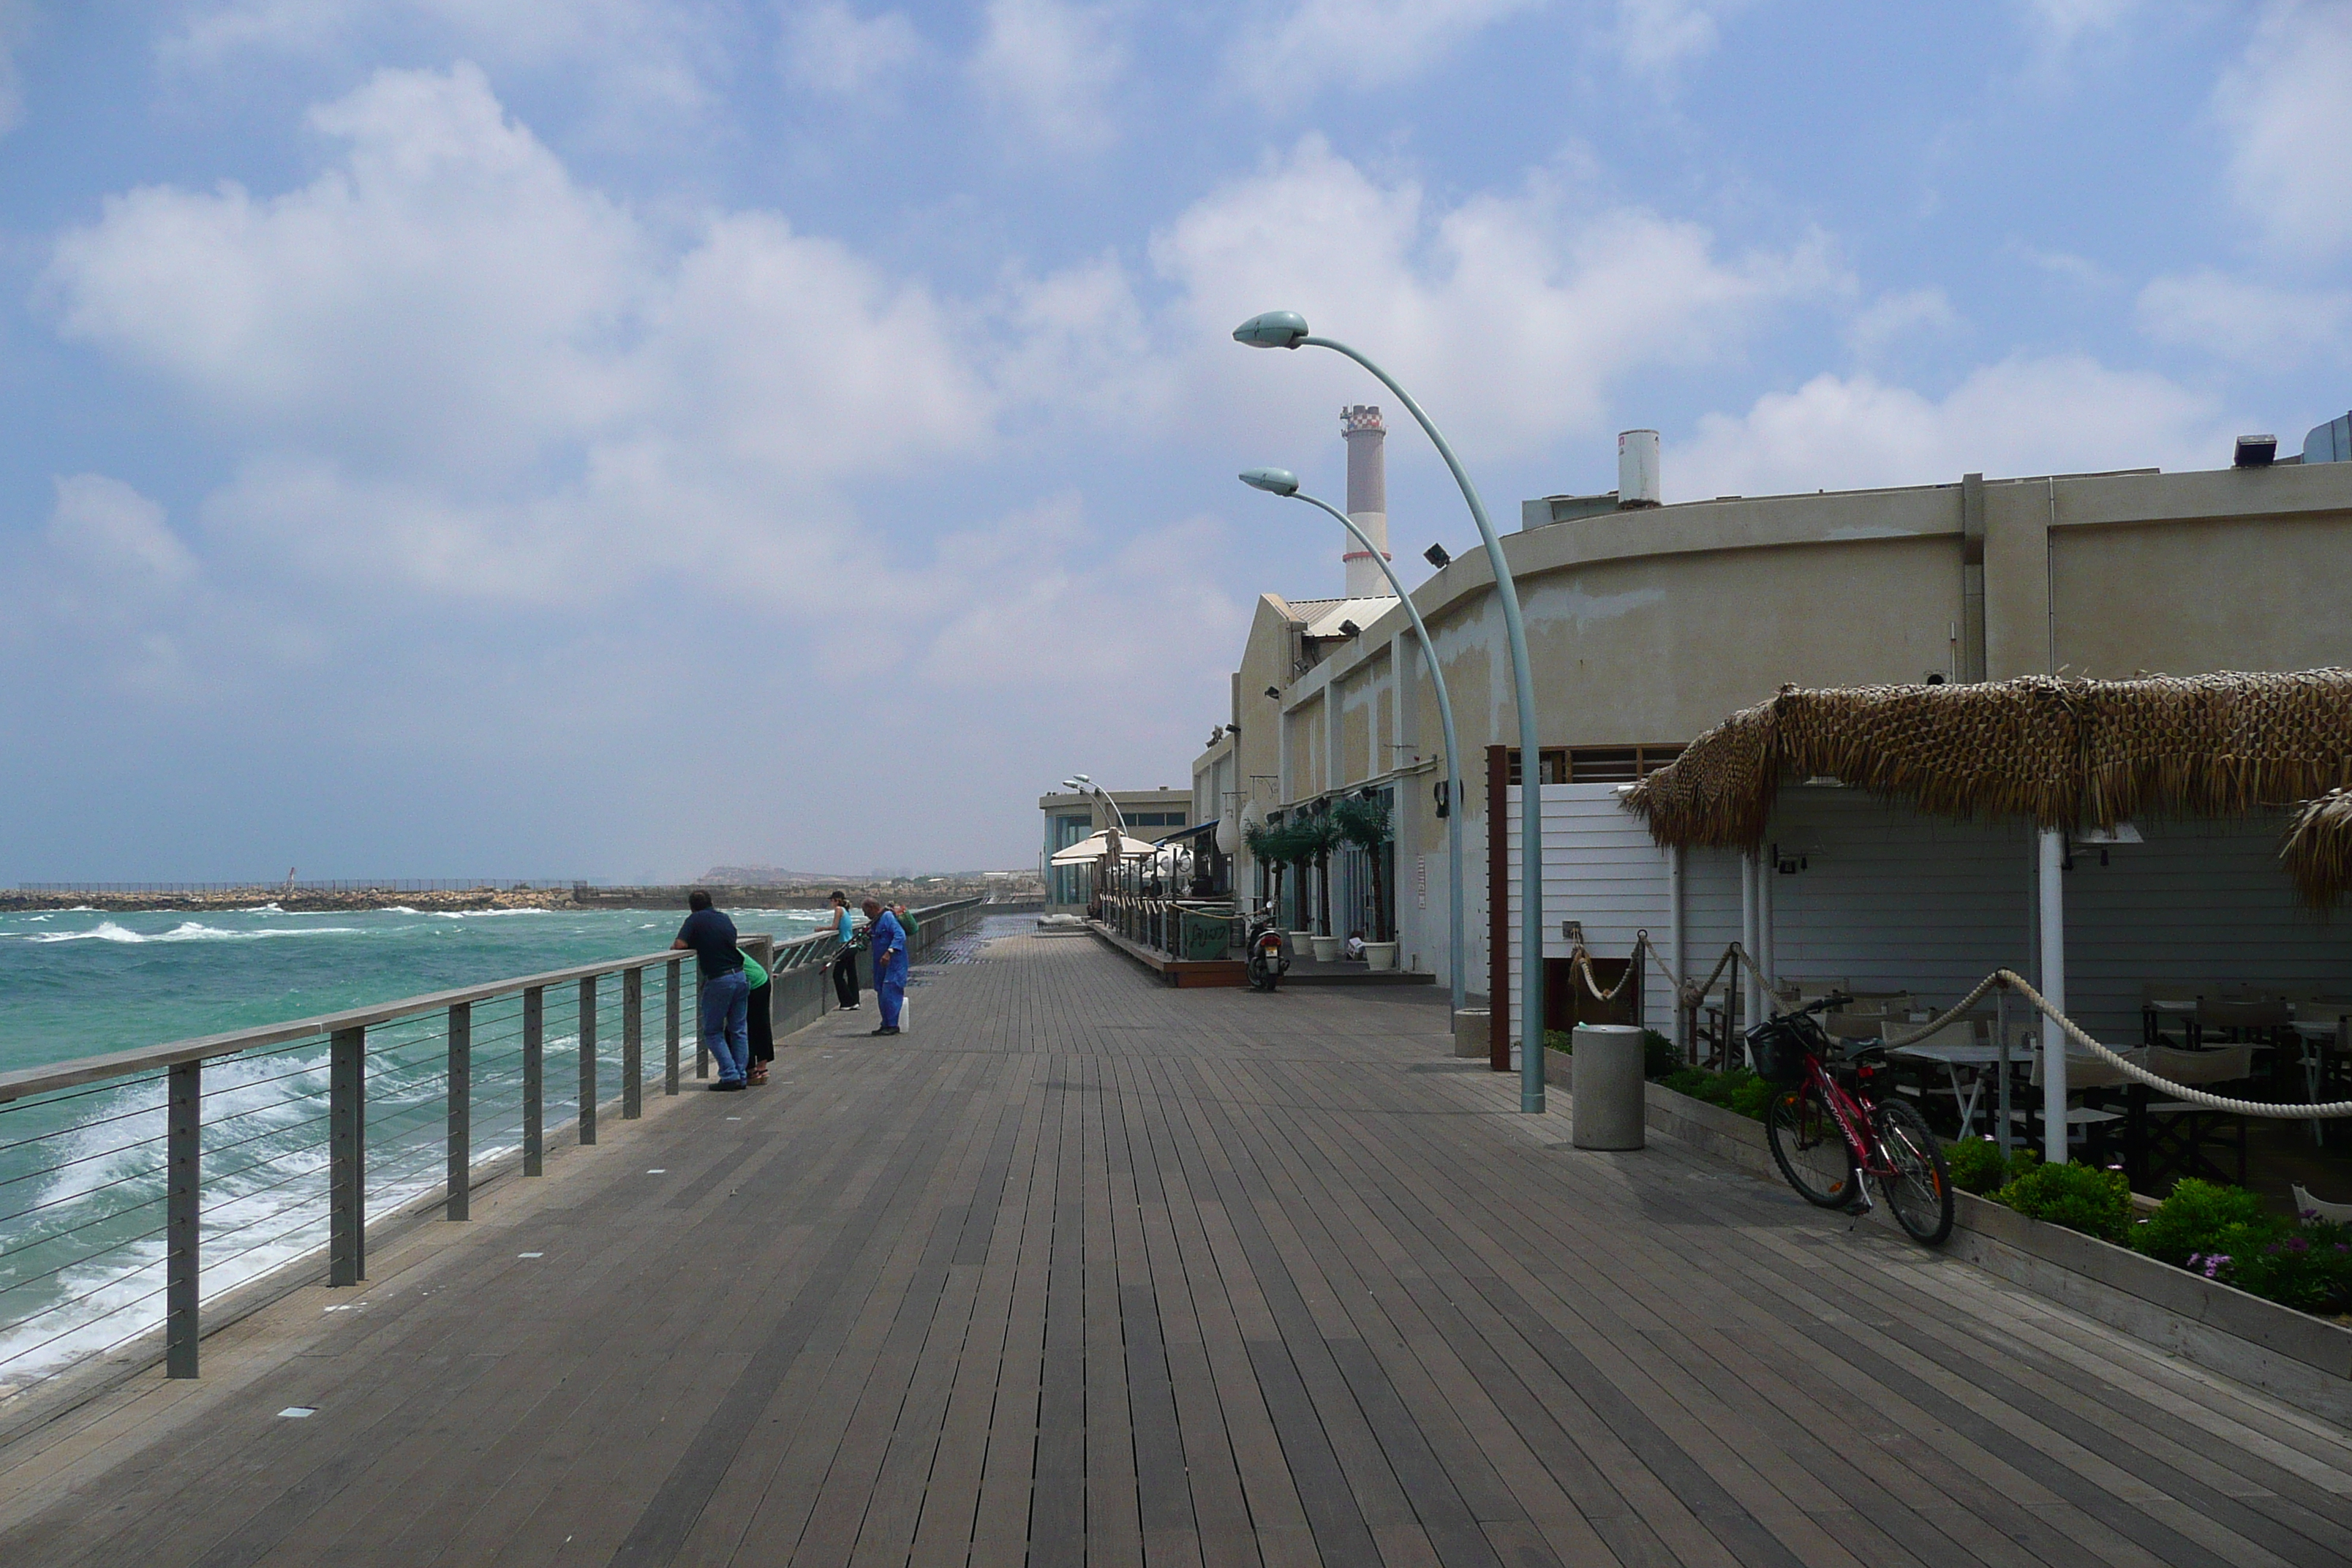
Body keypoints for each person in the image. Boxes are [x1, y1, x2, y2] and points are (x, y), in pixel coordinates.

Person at [671, 891, 749, 1090]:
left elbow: (680, 944)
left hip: (719, 979)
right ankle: (741, 1074)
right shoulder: (724, 917)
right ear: (711, 902)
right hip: (740, 975)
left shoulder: (695, 919)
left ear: (692, 906)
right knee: (739, 1029)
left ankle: (729, 1075)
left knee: (713, 1031)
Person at [864, 897, 907, 1036]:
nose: (865, 915)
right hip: (880, 964)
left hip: (894, 963)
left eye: (865, 911)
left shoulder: (887, 917)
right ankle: (885, 1023)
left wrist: (889, 952)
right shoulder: (876, 922)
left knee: (891, 991)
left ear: (872, 908)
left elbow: (900, 935)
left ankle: (893, 1025)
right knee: (881, 992)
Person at [824, 891, 860, 1010]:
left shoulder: (839, 909)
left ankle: (847, 1002)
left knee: (837, 975)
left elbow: (834, 927)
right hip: (852, 945)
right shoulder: (846, 911)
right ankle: (855, 1001)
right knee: (851, 975)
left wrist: (821, 929)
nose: (831, 902)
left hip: (845, 947)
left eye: (832, 900)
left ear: (837, 900)